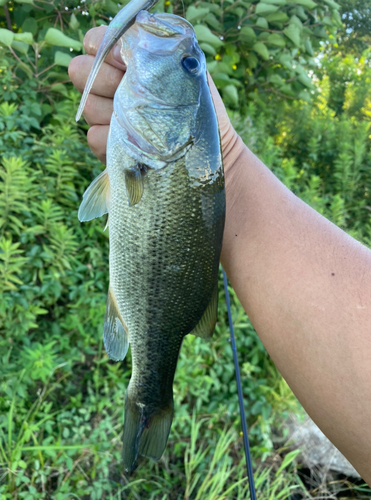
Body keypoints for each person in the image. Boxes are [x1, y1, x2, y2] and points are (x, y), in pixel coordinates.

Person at [69, 26, 371, 483]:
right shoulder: (175, 141)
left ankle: (149, 392)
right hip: (153, 186)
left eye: (191, 66)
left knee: (146, 351)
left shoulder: (177, 140)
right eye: (193, 67)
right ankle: (150, 398)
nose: (186, 56)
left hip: (152, 194)